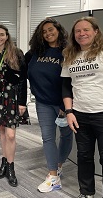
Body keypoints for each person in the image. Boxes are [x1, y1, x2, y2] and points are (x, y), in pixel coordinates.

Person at [61, 17, 103, 198]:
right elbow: (65, 86)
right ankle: (86, 193)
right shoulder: (69, 54)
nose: (81, 33)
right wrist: (69, 112)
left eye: (86, 29)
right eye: (77, 31)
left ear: (96, 31)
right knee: (83, 157)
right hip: (80, 114)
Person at [25, 18, 73, 193]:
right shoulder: (34, 53)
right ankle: (53, 176)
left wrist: (65, 105)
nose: (47, 33)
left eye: (50, 29)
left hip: (64, 104)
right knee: (47, 138)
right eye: (44, 31)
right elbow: (28, 75)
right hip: (43, 103)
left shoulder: (68, 52)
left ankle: (59, 164)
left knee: (66, 136)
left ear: (58, 30)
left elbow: (71, 80)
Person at [0, 25, 27, 187]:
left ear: (7, 36)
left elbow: (23, 79)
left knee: (11, 135)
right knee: (2, 132)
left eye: (2, 34)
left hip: (11, 97)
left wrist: (23, 102)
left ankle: (11, 168)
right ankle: (4, 164)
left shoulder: (16, 53)